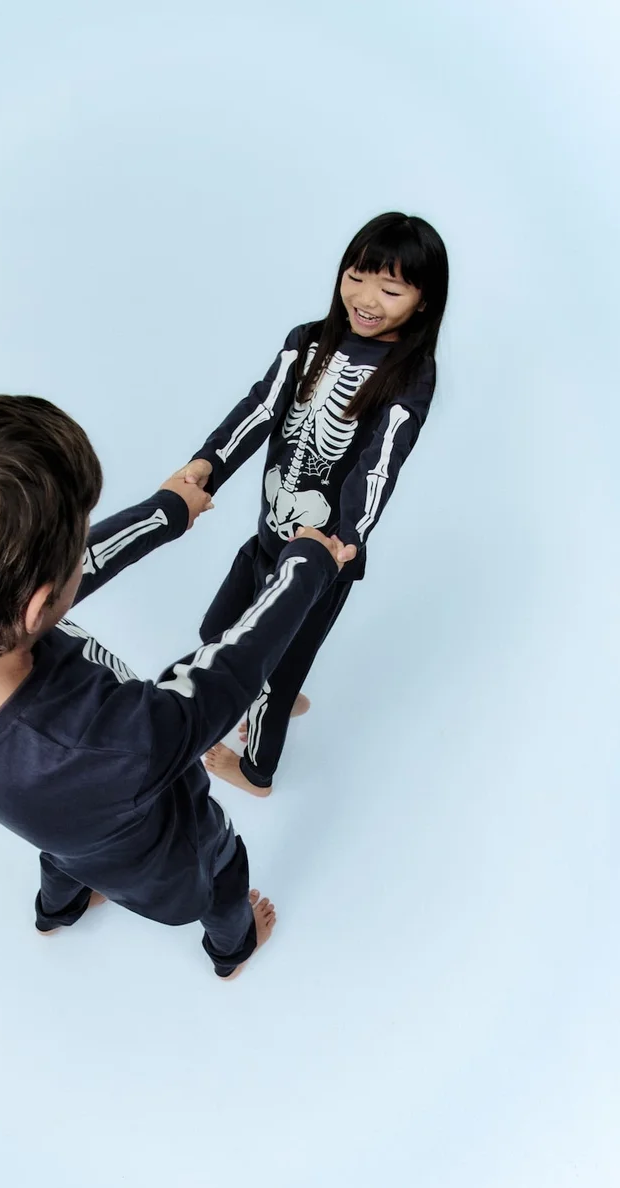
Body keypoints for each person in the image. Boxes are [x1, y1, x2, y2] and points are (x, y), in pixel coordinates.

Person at [0, 394, 346, 978]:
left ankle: (56, 912)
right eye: (75, 543)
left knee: (66, 858)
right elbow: (223, 678)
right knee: (225, 868)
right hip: (164, 852)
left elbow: (48, 576)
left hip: (66, 829)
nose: (81, 549)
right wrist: (305, 568)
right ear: (36, 606)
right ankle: (232, 948)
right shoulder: (118, 742)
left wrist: (165, 513)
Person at [173, 212, 449, 796]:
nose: (366, 299)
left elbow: (381, 460)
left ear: (423, 301)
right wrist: (208, 464)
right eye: (357, 277)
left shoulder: (410, 374)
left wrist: (347, 535)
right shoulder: (308, 340)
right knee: (218, 629)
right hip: (268, 536)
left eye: (391, 290)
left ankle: (257, 772)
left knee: (276, 672)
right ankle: (278, 685)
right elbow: (259, 408)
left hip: (320, 557)